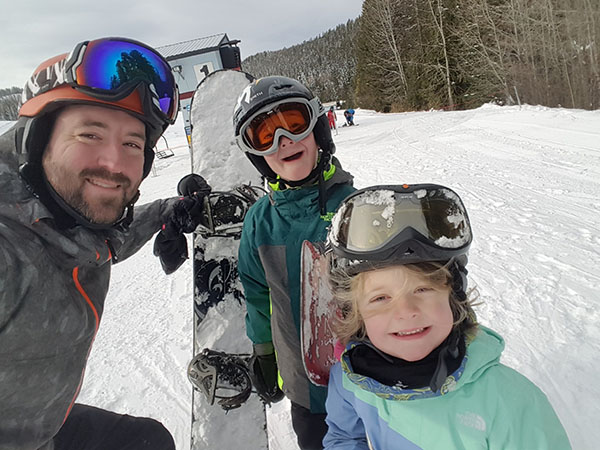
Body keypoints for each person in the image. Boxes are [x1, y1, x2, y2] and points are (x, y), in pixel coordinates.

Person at [0, 37, 208, 450]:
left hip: (40, 425)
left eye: (132, 143)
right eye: (90, 134)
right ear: (38, 140)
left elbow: (103, 237)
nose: (114, 162)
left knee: (145, 442)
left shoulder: (64, 219)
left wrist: (168, 211)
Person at [322, 184, 571, 449]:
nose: (406, 311)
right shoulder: (351, 379)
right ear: (357, 314)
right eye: (380, 298)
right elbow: (343, 437)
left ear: (454, 299)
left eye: (423, 289)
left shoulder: (511, 402)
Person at [233, 76, 355, 449]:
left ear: (318, 130)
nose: (283, 139)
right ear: (258, 155)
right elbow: (256, 293)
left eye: (294, 122)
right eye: (264, 133)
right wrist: (264, 350)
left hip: (363, 382)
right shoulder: (259, 221)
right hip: (305, 390)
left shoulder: (354, 207)